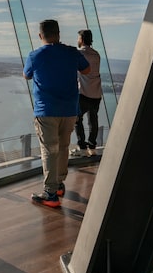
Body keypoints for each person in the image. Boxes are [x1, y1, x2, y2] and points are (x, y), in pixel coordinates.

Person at [23, 19, 90, 208]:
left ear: (40, 35)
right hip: (69, 110)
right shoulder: (71, 52)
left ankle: (50, 193)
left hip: (46, 110)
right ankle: (59, 183)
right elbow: (87, 69)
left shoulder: (35, 55)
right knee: (63, 147)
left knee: (49, 150)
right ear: (58, 33)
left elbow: (26, 75)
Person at [70, 29, 102, 157]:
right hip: (96, 93)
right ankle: (92, 147)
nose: (77, 40)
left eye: (78, 38)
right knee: (93, 121)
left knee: (77, 119)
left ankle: (82, 148)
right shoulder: (97, 54)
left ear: (82, 39)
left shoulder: (80, 54)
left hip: (83, 93)